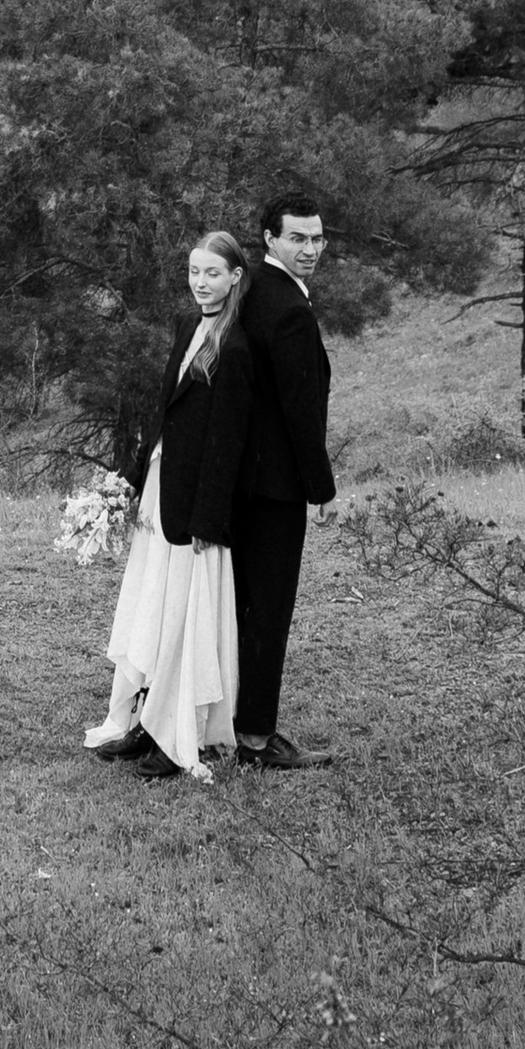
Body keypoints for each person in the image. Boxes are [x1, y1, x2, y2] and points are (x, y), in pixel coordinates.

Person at [83, 229, 251, 782]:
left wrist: (208, 518)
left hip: (196, 505)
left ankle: (174, 734)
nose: (201, 283)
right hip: (161, 487)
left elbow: (228, 442)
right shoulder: (187, 327)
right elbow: (164, 412)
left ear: (235, 278)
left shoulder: (237, 345)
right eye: (194, 272)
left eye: (212, 273)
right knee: (152, 604)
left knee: (184, 613)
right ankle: (141, 718)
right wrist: (129, 480)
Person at [231, 187, 335, 770]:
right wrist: (321, 489)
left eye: (318, 238)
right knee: (268, 609)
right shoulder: (290, 309)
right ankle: (255, 738)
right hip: (273, 489)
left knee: (242, 607)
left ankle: (234, 722)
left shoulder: (251, 290)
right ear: (269, 239)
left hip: (242, 479)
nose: (311, 248)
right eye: (298, 237)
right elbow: (301, 410)